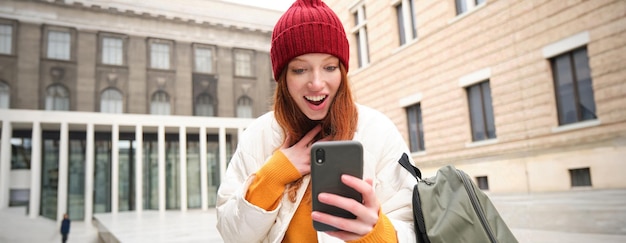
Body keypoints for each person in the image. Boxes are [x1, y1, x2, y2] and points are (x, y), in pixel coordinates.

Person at [216, 0, 416, 242]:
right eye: (300, 70)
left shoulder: (378, 131)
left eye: (330, 67)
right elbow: (232, 235)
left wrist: (375, 233)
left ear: (342, 71)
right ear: (283, 77)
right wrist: (274, 174)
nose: (317, 83)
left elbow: (412, 228)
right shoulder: (258, 135)